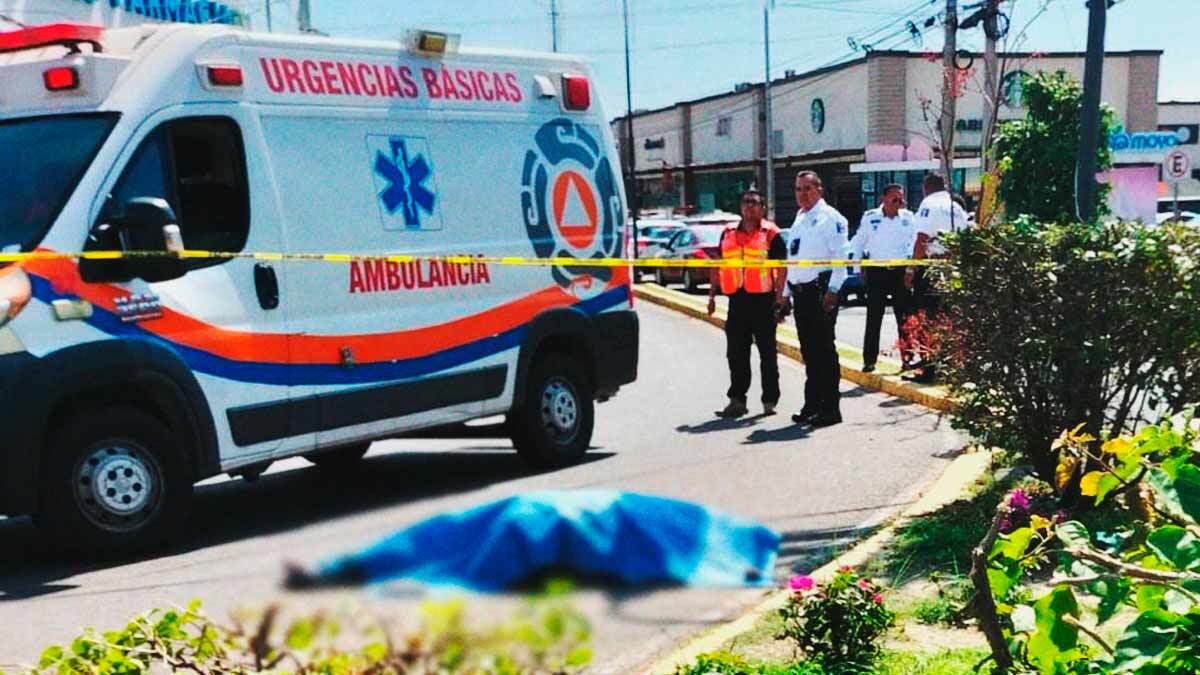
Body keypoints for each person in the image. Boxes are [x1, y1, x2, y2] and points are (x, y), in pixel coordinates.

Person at [707, 188, 788, 418]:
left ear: (762, 208)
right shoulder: (728, 232)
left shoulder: (771, 234)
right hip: (737, 300)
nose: (749, 206)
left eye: (754, 202)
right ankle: (737, 400)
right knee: (736, 353)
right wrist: (712, 296)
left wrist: (780, 299)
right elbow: (718, 264)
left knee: (767, 354)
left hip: (763, 301)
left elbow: (782, 269)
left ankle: (769, 400)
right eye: (746, 202)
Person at [779, 171, 849, 427]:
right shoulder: (800, 218)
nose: (803, 194)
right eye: (798, 189)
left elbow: (841, 258)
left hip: (821, 292)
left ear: (819, 189)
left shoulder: (831, 218)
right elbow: (793, 259)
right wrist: (785, 294)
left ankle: (830, 408)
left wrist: (833, 290)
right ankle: (813, 404)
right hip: (801, 293)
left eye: (808, 188)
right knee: (809, 353)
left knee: (824, 352)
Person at [903, 173, 969, 383]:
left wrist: (911, 269)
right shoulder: (956, 207)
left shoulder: (928, 204)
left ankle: (929, 368)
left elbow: (921, 239)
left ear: (925, 188)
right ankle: (949, 367)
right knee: (948, 319)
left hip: (930, 269)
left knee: (927, 320)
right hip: (952, 268)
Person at [849, 184, 916, 373]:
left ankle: (907, 359)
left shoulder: (908, 218)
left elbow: (914, 244)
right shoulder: (870, 217)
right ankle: (869, 360)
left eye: (901, 199)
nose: (899, 202)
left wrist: (910, 270)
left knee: (903, 318)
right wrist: (857, 268)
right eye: (895, 199)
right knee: (874, 317)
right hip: (876, 272)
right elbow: (858, 242)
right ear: (883, 199)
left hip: (900, 272)